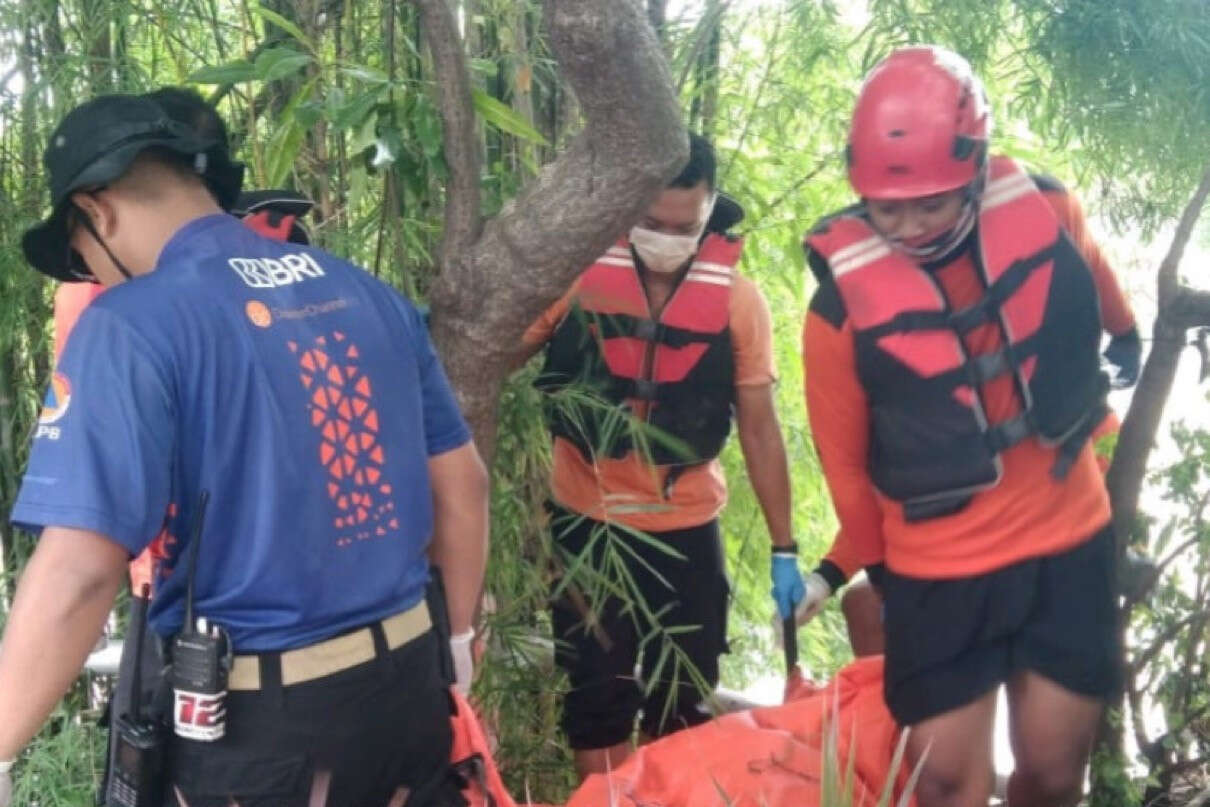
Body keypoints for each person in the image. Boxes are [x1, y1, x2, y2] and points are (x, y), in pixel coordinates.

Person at [0, 91, 488, 807]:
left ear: (96, 212)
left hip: (265, 736)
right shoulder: (369, 295)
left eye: (81, 259)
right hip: (410, 696)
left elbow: (79, 573)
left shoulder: (131, 326)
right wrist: (456, 648)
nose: (93, 278)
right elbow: (464, 486)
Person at [801, 47, 1121, 807]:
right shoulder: (839, 313)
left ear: (976, 171)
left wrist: (1130, 337)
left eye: (932, 204)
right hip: (937, 570)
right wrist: (871, 570)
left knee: (1050, 772)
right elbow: (846, 469)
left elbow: (1099, 284)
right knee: (946, 784)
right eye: (887, 208)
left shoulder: (1047, 211)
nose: (909, 225)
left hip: (1067, 543)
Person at [521, 133, 801, 780]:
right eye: (652, 223)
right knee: (596, 696)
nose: (668, 238)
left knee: (684, 698)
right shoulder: (577, 277)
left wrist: (784, 546)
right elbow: (501, 349)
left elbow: (760, 430)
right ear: (626, 209)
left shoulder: (737, 300)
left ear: (709, 214)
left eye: (686, 226)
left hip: (687, 528)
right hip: (588, 522)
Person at [797, 165, 1143, 660]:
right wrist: (825, 577)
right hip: (963, 546)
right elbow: (882, 497)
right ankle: (904, 731)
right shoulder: (890, 379)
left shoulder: (1009, 312)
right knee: (865, 605)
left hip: (1064, 519)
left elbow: (1088, 261)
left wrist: (1126, 331)